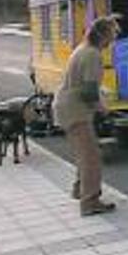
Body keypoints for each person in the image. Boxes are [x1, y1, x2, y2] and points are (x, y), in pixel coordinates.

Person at [53, 15, 120, 216]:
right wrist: (101, 107)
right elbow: (88, 91)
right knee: (91, 157)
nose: (113, 40)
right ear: (104, 36)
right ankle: (90, 201)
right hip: (75, 111)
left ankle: (80, 190)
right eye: (113, 35)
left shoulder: (84, 49)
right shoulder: (92, 54)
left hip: (68, 107)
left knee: (84, 154)